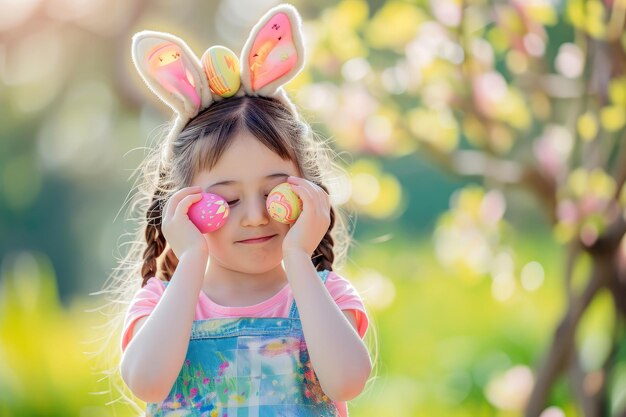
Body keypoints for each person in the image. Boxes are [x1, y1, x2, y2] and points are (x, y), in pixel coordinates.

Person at [112, 3, 372, 416]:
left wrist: (298, 258)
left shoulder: (324, 297)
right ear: (181, 205)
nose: (255, 216)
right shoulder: (164, 302)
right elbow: (147, 381)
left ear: (310, 191)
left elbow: (347, 381)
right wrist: (191, 258)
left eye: (275, 193)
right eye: (228, 199)